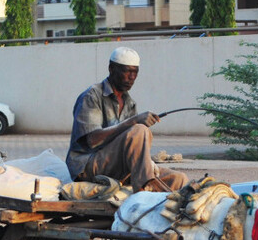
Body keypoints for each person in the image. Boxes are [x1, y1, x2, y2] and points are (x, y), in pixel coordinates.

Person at [66, 47, 187, 192]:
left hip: (118, 165)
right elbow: (92, 140)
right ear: (111, 69)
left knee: (179, 179)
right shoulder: (92, 96)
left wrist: (148, 164)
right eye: (127, 71)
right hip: (88, 165)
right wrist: (133, 121)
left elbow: (133, 147)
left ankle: (155, 194)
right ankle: (142, 192)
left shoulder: (130, 103)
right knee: (139, 130)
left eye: (135, 72)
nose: (132, 77)